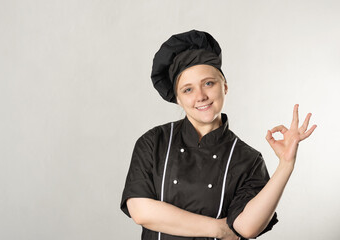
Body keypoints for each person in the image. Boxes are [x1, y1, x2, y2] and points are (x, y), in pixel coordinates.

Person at [120, 30, 316, 240]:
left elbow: (247, 227)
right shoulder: (154, 142)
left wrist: (285, 165)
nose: (201, 96)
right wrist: (219, 229)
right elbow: (140, 210)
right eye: (188, 89)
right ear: (177, 99)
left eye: (209, 83)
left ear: (225, 86)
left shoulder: (247, 159)